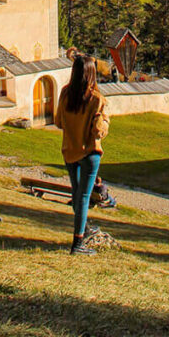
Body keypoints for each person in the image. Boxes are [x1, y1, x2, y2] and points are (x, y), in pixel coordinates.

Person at [54, 53, 110, 256]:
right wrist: (105, 119)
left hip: (70, 150)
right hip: (89, 152)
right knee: (84, 197)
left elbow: (59, 122)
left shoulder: (65, 93)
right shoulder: (96, 99)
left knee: (77, 195)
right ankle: (78, 243)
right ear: (91, 74)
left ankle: (83, 229)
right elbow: (98, 131)